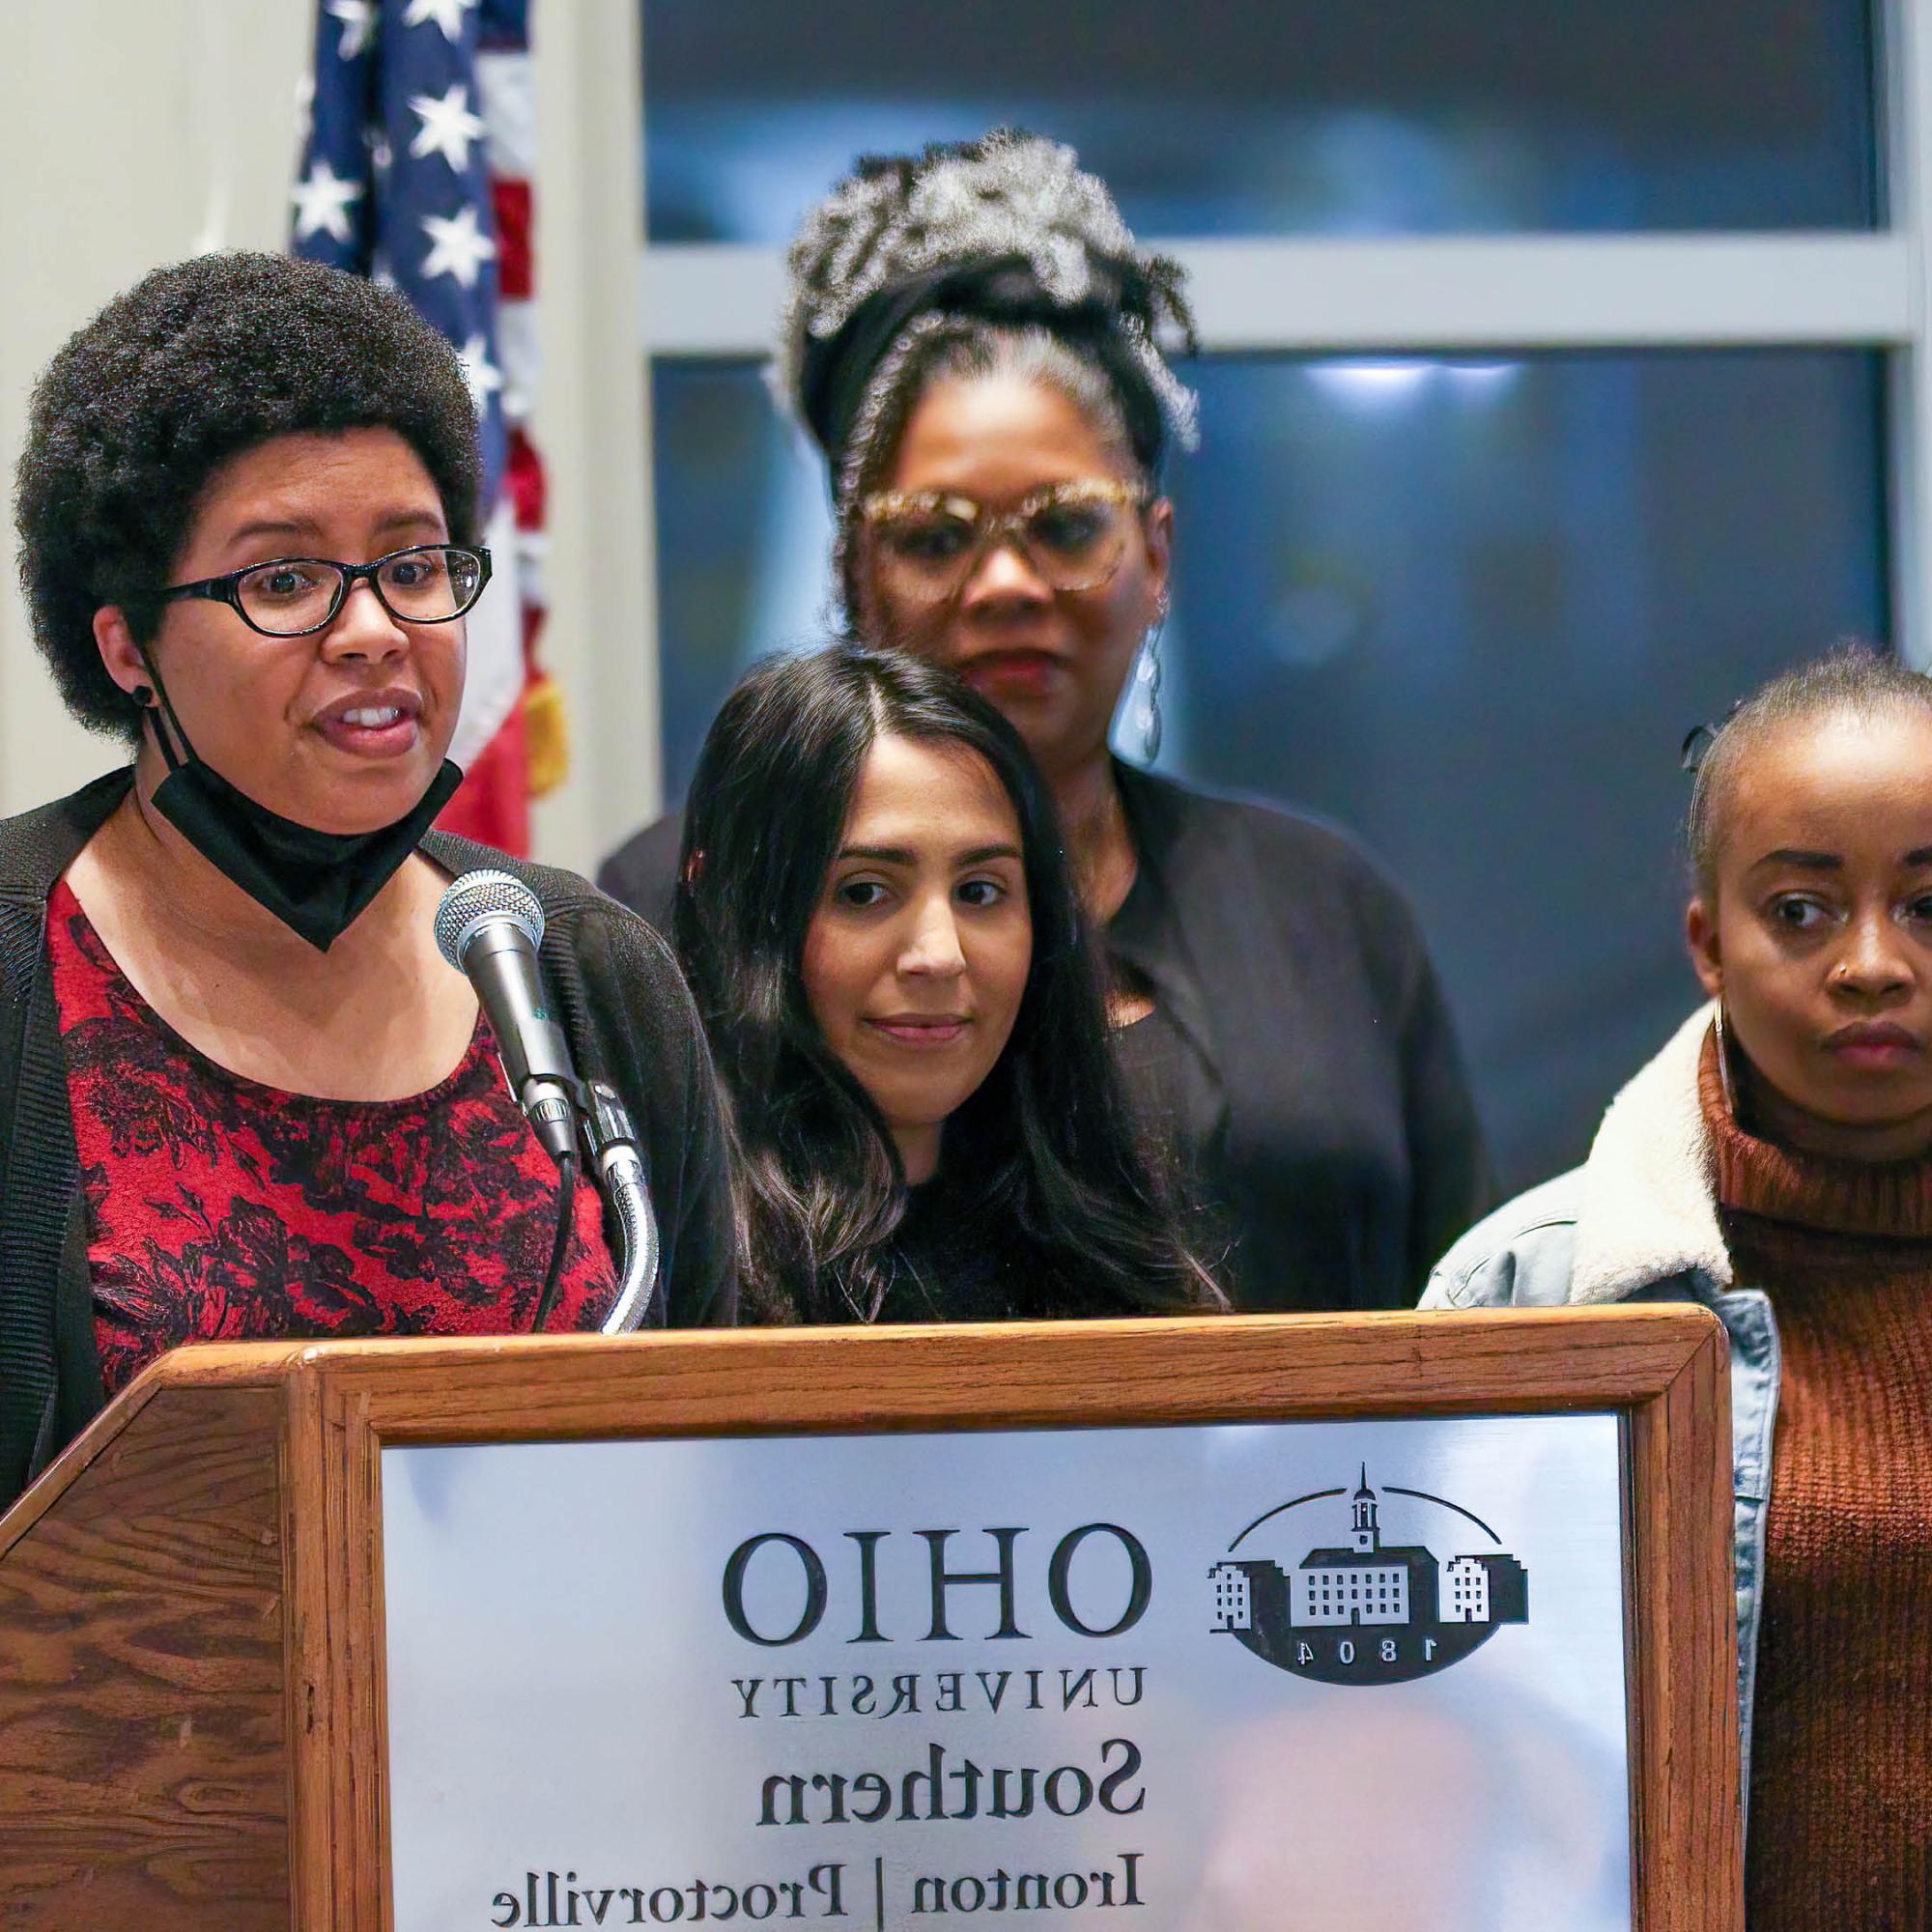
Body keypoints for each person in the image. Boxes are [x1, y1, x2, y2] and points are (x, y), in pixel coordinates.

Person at [601, 129, 1489, 1313]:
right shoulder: (672, 902)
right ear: (853, 568)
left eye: (1066, 526)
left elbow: (1480, 1319)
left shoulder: (1320, 908)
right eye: (935, 533)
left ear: (1155, 556)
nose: (1007, 583)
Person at [0, 251, 734, 1513]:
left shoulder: (581, 966)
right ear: (126, 645)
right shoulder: (21, 964)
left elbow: (716, 1460)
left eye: (412, 564)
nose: (374, 630)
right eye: (283, 579)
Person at [1422, 645, 1932, 1927]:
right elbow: (1451, 1757)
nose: (1873, 963)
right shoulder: (1534, 1292)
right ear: (1709, 942)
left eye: (1930, 905)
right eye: (1802, 912)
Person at [674, 644, 1222, 1324]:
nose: (939, 955)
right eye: (865, 891)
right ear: (731, 910)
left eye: (980, 891)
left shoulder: (1108, 1254)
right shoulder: (651, 1265)